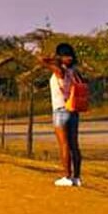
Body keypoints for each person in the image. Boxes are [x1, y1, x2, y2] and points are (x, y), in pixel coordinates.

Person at [42, 42, 84, 187]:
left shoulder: (60, 71)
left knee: (64, 145)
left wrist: (54, 58)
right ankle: (77, 177)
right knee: (74, 144)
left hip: (60, 110)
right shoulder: (75, 72)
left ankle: (67, 176)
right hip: (73, 109)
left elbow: (42, 60)